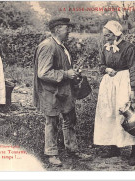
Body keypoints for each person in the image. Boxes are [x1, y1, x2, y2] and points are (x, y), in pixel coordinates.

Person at [33, 17, 90, 166]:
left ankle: (72, 149)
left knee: (70, 119)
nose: (69, 31)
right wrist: (66, 74)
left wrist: (73, 73)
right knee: (52, 122)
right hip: (50, 92)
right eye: (67, 28)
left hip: (64, 90)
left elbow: (62, 66)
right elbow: (43, 73)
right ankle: (51, 154)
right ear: (58, 29)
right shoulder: (48, 46)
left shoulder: (61, 46)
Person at [93, 20, 135, 166]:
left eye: (108, 35)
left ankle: (134, 151)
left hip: (125, 83)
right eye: (105, 35)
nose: (106, 37)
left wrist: (133, 90)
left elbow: (134, 69)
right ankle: (114, 147)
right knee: (110, 113)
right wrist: (106, 69)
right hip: (109, 84)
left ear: (116, 33)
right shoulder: (105, 47)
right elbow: (100, 65)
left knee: (129, 115)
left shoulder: (128, 48)